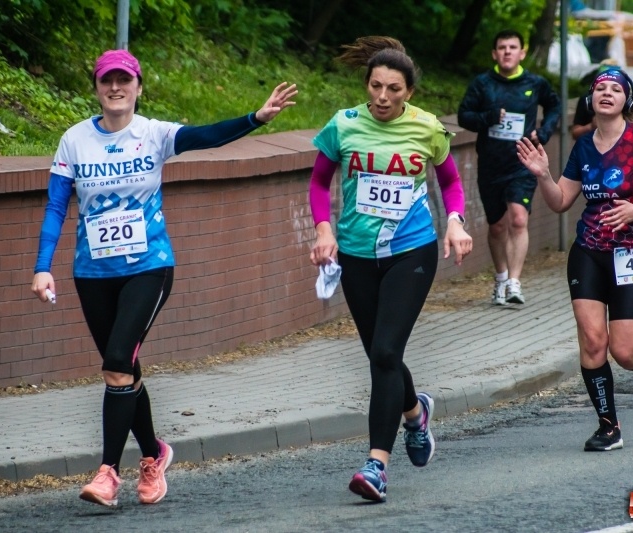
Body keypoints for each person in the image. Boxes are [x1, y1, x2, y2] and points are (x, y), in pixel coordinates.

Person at [30, 49, 297, 507]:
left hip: (149, 268)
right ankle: (154, 454)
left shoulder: (154, 134)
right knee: (124, 371)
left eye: (124, 80)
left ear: (138, 87)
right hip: (92, 272)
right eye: (107, 81)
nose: (116, 88)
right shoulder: (74, 140)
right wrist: (42, 266)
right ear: (96, 88)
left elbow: (206, 135)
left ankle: (108, 474)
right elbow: (56, 206)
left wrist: (256, 118)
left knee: (117, 361)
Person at [308, 36, 473, 502]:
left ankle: (376, 465)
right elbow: (319, 182)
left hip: (411, 251)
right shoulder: (344, 124)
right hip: (357, 253)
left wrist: (455, 222)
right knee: (381, 355)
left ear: (409, 92)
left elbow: (451, 182)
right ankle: (415, 413)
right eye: (376, 86)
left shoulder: (426, 128)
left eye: (393, 89)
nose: (382, 97)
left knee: (384, 351)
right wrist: (324, 229)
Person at [515, 68, 633, 452]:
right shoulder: (584, 147)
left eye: (615, 89)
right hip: (588, 252)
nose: (606, 93)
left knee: (624, 351)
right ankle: (609, 427)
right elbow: (561, 201)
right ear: (590, 100)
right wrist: (543, 175)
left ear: (626, 100)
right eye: (600, 89)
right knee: (593, 342)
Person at [458, 29, 561, 305]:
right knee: (497, 227)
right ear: (495, 54)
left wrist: (545, 131)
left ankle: (515, 283)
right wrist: (488, 117)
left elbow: (555, 106)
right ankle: (501, 279)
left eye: (512, 47)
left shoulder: (535, 83)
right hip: (491, 164)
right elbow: (464, 116)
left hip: (522, 163)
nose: (507, 52)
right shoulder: (483, 84)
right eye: (502, 47)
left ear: (522, 53)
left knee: (518, 218)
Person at [570, 59, 621, 141]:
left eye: (615, 89)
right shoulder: (586, 100)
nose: (607, 93)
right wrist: (591, 126)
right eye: (601, 87)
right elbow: (575, 133)